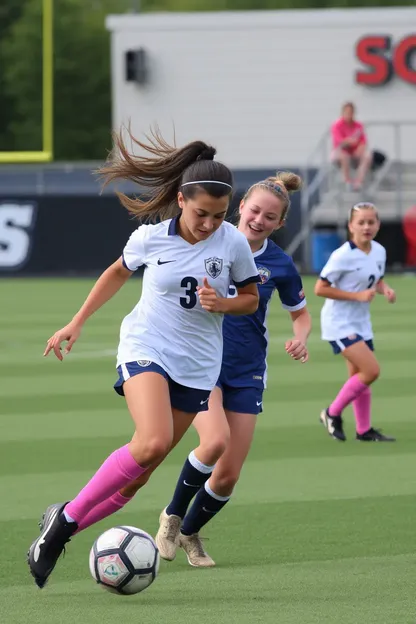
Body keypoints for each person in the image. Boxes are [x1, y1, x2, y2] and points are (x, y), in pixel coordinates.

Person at [27, 128, 261, 589]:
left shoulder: (232, 243)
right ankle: (61, 527)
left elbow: (250, 298)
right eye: (201, 214)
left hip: (198, 366)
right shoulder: (150, 238)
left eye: (218, 216)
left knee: (135, 481)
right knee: (151, 442)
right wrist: (76, 321)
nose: (210, 224)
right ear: (180, 199)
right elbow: (116, 273)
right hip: (146, 347)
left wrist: (227, 303)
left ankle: (65, 521)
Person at [117, 172, 312, 567]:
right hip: (203, 363)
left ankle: (189, 532)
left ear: (279, 224)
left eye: (270, 217)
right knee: (214, 440)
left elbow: (301, 313)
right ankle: (171, 516)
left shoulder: (279, 263)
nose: (259, 219)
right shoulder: (216, 240)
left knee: (226, 476)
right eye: (255, 210)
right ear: (241, 207)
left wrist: (301, 336)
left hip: (247, 368)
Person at [314, 202, 396, 443]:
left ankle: (363, 430)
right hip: (339, 322)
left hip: (361, 321)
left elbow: (376, 280)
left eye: (371, 222)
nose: (367, 226)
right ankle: (331, 412)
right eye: (361, 222)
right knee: (371, 371)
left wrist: (386, 289)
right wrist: (357, 296)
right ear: (351, 226)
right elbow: (320, 289)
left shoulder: (379, 250)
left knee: (358, 376)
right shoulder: (342, 256)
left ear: (378, 224)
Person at [331, 102, 373, 191]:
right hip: (340, 152)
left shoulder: (358, 125)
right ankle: (347, 181)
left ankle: (359, 182)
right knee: (344, 155)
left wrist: (360, 148)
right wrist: (351, 141)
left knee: (367, 155)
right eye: (347, 112)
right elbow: (341, 143)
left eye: (351, 112)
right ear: (342, 113)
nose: (349, 115)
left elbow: (363, 142)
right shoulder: (337, 125)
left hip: (354, 152)